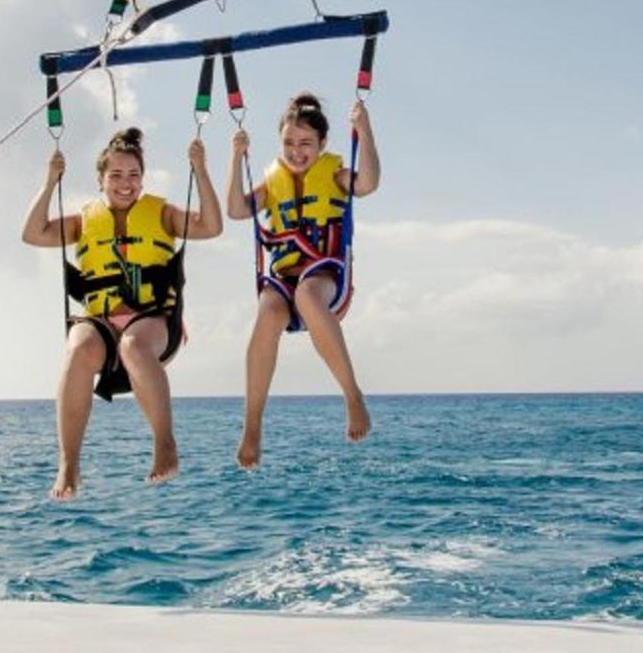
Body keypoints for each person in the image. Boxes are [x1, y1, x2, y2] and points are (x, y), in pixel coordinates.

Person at [23, 128, 222, 499]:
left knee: (133, 345)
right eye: (115, 175)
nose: (125, 183)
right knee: (78, 346)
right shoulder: (83, 222)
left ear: (142, 179)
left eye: (133, 175)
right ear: (101, 181)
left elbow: (211, 227)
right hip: (101, 324)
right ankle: (69, 463)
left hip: (154, 322)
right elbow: (33, 233)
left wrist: (201, 170)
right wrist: (51, 181)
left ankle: (164, 443)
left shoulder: (161, 213)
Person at [225, 93, 380, 469]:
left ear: (322, 144)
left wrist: (365, 130)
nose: (297, 152)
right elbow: (234, 210)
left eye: (306, 143)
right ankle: (253, 426)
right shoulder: (272, 182)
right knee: (266, 316)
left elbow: (369, 183)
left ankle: (352, 396)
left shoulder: (335, 174)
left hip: (326, 275)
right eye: (289, 143)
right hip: (283, 276)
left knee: (309, 295)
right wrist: (236, 158)